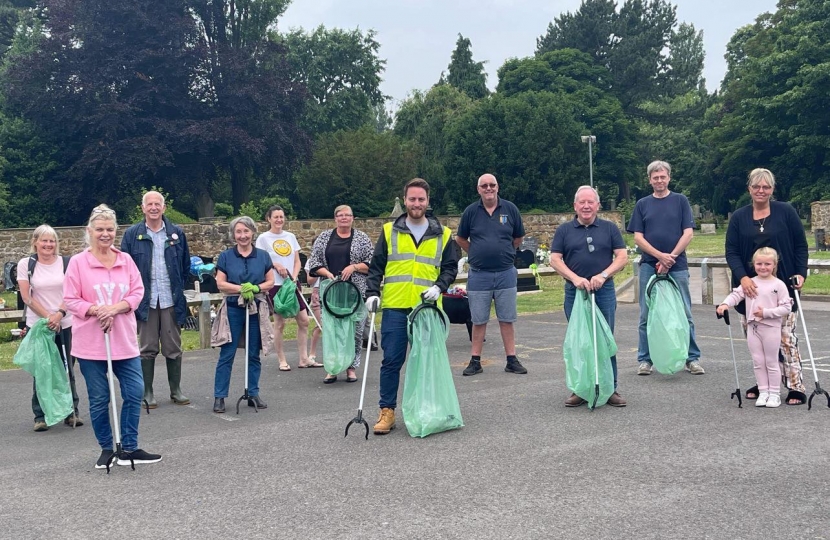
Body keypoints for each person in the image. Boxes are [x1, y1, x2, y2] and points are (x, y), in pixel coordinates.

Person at [63, 204, 161, 469]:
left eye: (109, 229)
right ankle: (107, 448)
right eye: (99, 229)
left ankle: (129, 446)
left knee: (134, 391)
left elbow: (137, 292)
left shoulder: (125, 260)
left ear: (115, 232)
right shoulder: (77, 263)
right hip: (90, 345)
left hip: (123, 341)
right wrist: (95, 310)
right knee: (99, 398)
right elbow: (70, 299)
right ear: (89, 231)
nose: (104, 234)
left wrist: (115, 309)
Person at [365, 178, 458, 435]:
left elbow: (451, 267)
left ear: (428, 202)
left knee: (427, 361)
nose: (416, 203)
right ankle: (387, 411)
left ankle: (428, 409)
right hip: (396, 305)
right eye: (412, 199)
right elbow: (376, 267)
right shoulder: (388, 231)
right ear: (404, 200)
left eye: (421, 199)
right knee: (392, 360)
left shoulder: (444, 234)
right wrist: (372, 293)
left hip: (427, 309)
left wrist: (440, 286)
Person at [725, 168, 809, 405]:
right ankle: (766, 385)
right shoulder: (739, 217)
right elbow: (731, 251)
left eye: (766, 187)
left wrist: (800, 273)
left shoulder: (786, 211)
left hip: (781, 287)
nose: (761, 191)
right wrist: (742, 277)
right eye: (756, 186)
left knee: (786, 340)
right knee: (758, 344)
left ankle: (795, 385)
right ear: (749, 188)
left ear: (772, 189)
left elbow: (801, 246)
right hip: (750, 290)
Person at [549, 186, 628, 407]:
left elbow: (622, 257)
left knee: (605, 339)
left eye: (590, 202)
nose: (586, 206)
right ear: (575, 206)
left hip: (603, 291)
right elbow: (555, 260)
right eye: (582, 202)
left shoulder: (609, 228)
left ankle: (610, 387)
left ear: (597, 205)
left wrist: (603, 275)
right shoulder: (564, 230)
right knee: (580, 341)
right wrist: (575, 279)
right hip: (575, 292)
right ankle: (581, 389)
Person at [626, 161, 704, 376]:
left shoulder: (680, 201)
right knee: (646, 314)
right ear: (649, 179)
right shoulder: (643, 204)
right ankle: (645, 359)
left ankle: (692, 358)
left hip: (677, 266)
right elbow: (638, 237)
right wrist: (660, 256)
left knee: (685, 312)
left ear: (669, 177)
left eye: (663, 177)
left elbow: (687, 233)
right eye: (655, 177)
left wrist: (671, 258)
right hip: (650, 266)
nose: (659, 181)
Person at [121, 191, 191, 408]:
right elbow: (125, 269)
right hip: (145, 301)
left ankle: (176, 390)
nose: (153, 207)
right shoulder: (132, 235)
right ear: (142, 208)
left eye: (157, 204)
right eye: (149, 204)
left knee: (173, 346)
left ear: (164, 207)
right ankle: (147, 392)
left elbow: (185, 266)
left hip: (171, 299)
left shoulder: (176, 233)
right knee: (147, 347)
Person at [456, 173, 527, 376]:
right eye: (484, 185)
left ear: (498, 187)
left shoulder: (510, 209)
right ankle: (475, 360)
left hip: (505, 272)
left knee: (507, 318)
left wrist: (504, 252)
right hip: (479, 274)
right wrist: (476, 252)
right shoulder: (471, 212)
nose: (488, 188)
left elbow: (518, 237)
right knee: (478, 320)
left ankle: (511, 359)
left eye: (492, 185)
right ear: (478, 189)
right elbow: (460, 238)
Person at [17, 225, 83, 432]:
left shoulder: (67, 263)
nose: (48, 245)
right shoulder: (26, 264)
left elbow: (73, 292)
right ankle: (40, 415)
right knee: (43, 369)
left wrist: (59, 314)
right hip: (40, 326)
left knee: (66, 368)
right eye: (44, 241)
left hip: (66, 322)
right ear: (35, 242)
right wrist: (48, 318)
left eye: (52, 241)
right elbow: (27, 297)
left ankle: (72, 411)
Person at [212, 216, 275, 413]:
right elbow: (221, 284)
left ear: (253, 232)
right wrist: (241, 289)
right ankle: (219, 396)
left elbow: (270, 282)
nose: (243, 236)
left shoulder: (263, 256)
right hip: (233, 309)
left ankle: (253, 392)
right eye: (238, 232)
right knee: (227, 354)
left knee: (253, 353)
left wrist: (255, 288)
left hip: (256, 309)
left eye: (246, 231)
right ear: (233, 235)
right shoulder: (225, 257)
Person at [717, 247, 792, 408]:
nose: (763, 267)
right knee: (758, 361)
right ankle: (763, 391)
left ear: (774, 265)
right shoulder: (751, 283)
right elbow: (736, 295)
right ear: (753, 264)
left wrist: (766, 312)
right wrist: (725, 304)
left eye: (767, 264)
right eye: (759, 264)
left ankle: (774, 394)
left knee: (771, 361)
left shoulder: (779, 285)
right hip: (753, 327)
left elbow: (786, 307)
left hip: (771, 328)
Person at [308, 205, 374, 383]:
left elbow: (372, 263)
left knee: (356, 330)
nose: (344, 218)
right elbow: (314, 262)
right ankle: (333, 367)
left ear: (353, 218)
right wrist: (326, 273)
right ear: (335, 218)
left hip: (355, 290)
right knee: (332, 330)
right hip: (331, 290)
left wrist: (354, 267)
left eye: (348, 215)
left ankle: (351, 368)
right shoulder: (324, 237)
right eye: (340, 215)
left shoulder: (362, 238)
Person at [255, 206, 317, 371]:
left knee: (303, 320)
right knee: (280, 324)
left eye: (281, 217)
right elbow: (261, 261)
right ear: (268, 219)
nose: (279, 220)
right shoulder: (263, 238)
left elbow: (297, 260)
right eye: (275, 217)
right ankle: (282, 360)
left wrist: (295, 277)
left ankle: (303, 358)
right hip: (274, 284)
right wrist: (275, 264)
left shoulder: (290, 236)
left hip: (291, 283)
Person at [304, 241, 323, 364]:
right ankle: (312, 353)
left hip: (331, 290)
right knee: (320, 324)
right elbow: (310, 281)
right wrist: (318, 269)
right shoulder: (311, 260)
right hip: (318, 292)